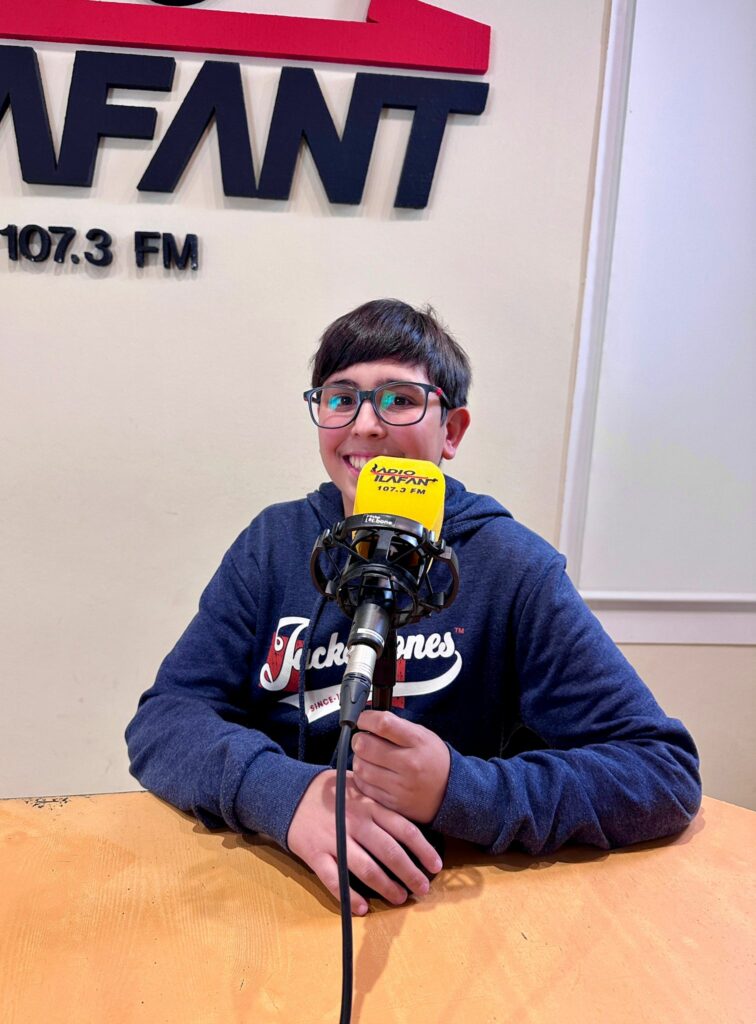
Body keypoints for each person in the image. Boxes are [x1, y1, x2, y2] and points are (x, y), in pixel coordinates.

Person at [126, 298, 701, 917]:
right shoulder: (272, 545)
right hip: (275, 881)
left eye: (399, 399)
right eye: (340, 398)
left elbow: (661, 771)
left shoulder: (512, 566)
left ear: (451, 431)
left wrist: (460, 788)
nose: (365, 425)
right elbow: (165, 720)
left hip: (448, 897)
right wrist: (287, 796)